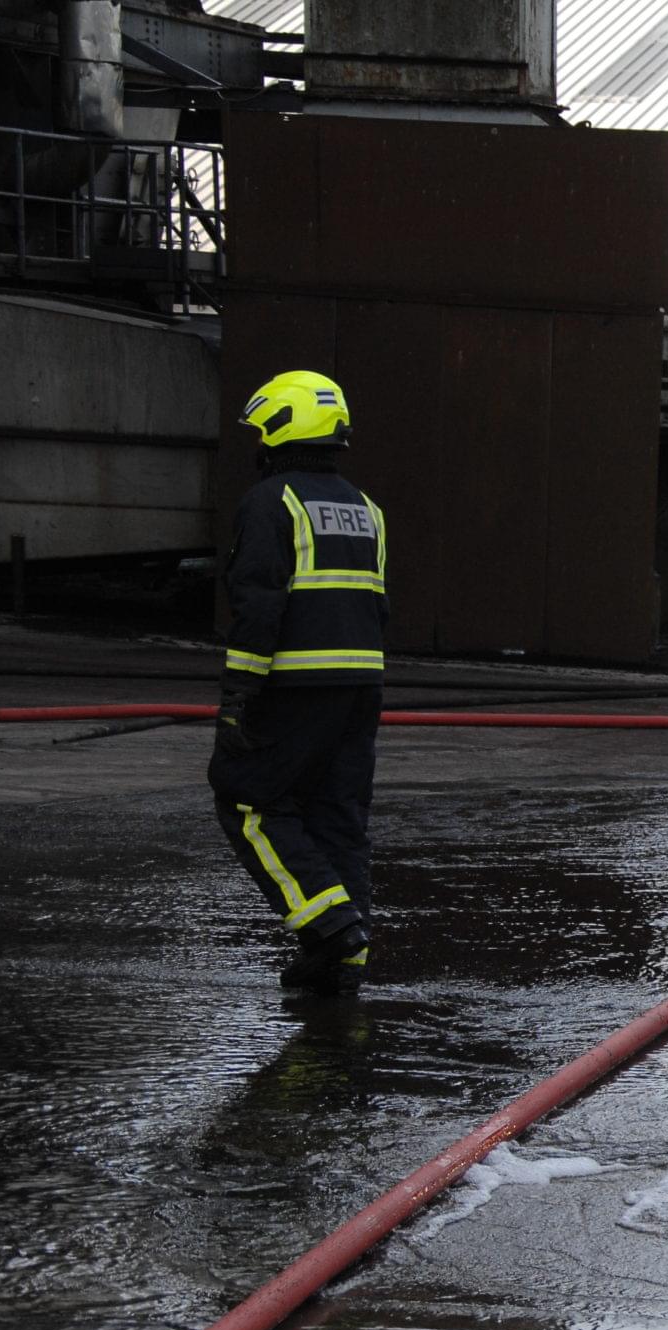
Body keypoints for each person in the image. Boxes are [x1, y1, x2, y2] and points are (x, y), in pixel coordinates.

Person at [210, 370, 388, 998]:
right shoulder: (365, 508)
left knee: (246, 799)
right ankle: (344, 959)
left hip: (293, 685)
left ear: (281, 429)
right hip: (360, 688)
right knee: (338, 816)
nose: (256, 443)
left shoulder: (271, 502)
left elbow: (258, 605)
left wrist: (237, 697)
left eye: (261, 430)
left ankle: (330, 925)